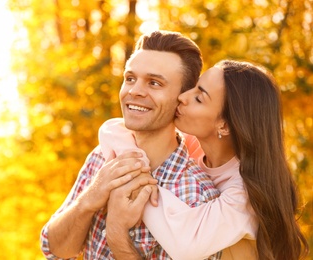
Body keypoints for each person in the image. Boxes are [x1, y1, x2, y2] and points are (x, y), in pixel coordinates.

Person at [39, 30, 222, 259]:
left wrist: (117, 232)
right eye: (130, 79)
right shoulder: (104, 156)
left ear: (182, 99)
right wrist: (88, 200)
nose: (134, 91)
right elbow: (54, 250)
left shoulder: (197, 198)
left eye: (154, 83)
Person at [101, 60, 309, 259]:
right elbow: (112, 128)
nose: (183, 96)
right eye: (195, 87)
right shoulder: (194, 146)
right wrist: (136, 164)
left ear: (225, 126)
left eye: (199, 98)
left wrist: (137, 184)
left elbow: (186, 245)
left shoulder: (246, 195)